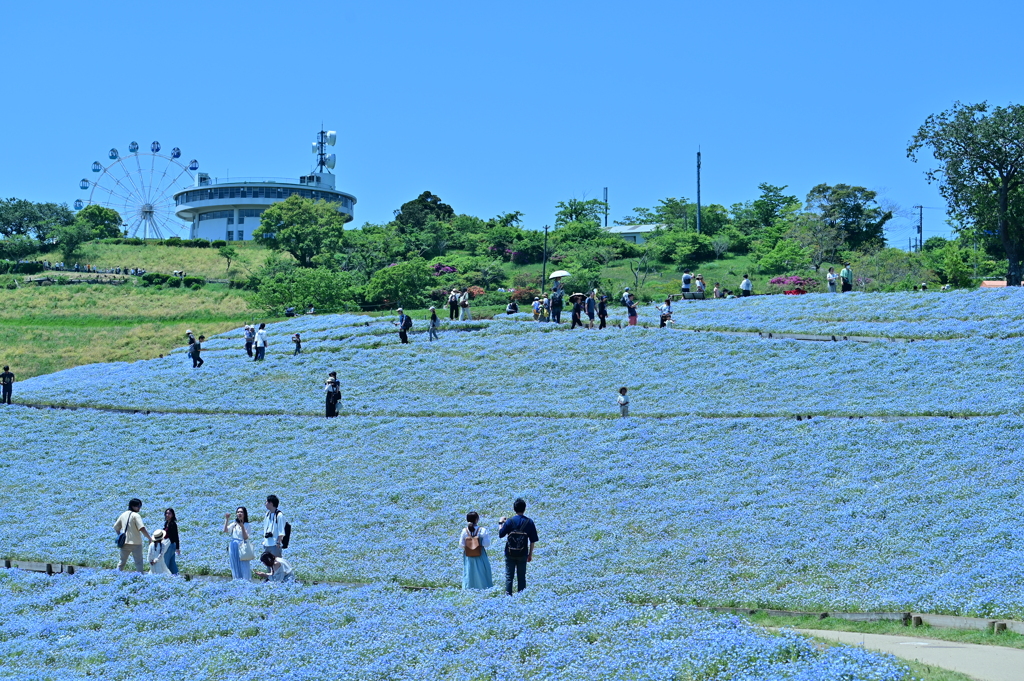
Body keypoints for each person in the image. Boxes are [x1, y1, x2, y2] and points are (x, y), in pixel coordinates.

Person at [498, 498, 538, 596]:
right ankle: (521, 597)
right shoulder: (529, 522)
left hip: (509, 552)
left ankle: (508, 598)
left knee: (509, 577)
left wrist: (500, 523)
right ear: (524, 509)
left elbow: (500, 534)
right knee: (521, 577)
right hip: (523, 553)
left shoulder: (510, 521)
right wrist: (530, 554)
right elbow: (532, 540)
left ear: (514, 509)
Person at [114, 498, 152, 573]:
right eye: (138, 506)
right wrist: (149, 538)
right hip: (136, 543)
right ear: (132, 506)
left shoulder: (123, 514)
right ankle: (140, 577)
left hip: (124, 543)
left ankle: (115, 575)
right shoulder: (136, 515)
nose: (139, 508)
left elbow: (116, 527)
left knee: (121, 562)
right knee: (139, 562)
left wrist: (120, 536)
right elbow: (142, 528)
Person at [460, 511, 493, 590]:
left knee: (469, 572)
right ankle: (484, 589)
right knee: (482, 572)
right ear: (477, 519)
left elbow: (461, 545)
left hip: (468, 555)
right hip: (480, 554)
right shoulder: (482, 530)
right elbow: (486, 544)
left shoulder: (464, 531)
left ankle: (468, 589)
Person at [224, 507, 253, 580]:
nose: (239, 514)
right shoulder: (234, 524)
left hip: (242, 545)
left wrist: (242, 527)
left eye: (241, 512)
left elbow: (246, 537)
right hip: (233, 545)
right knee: (235, 563)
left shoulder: (247, 525)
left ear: (245, 514)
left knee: (243, 564)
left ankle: (245, 580)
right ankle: (236, 580)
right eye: (238, 512)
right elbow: (225, 530)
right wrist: (227, 519)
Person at [163, 508, 180, 575]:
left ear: (173, 515)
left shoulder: (173, 524)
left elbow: (176, 536)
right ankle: (176, 575)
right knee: (172, 562)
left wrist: (177, 548)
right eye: (166, 513)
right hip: (167, 544)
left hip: (171, 545)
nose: (167, 515)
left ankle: (165, 576)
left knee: (165, 562)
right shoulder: (166, 523)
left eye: (169, 513)